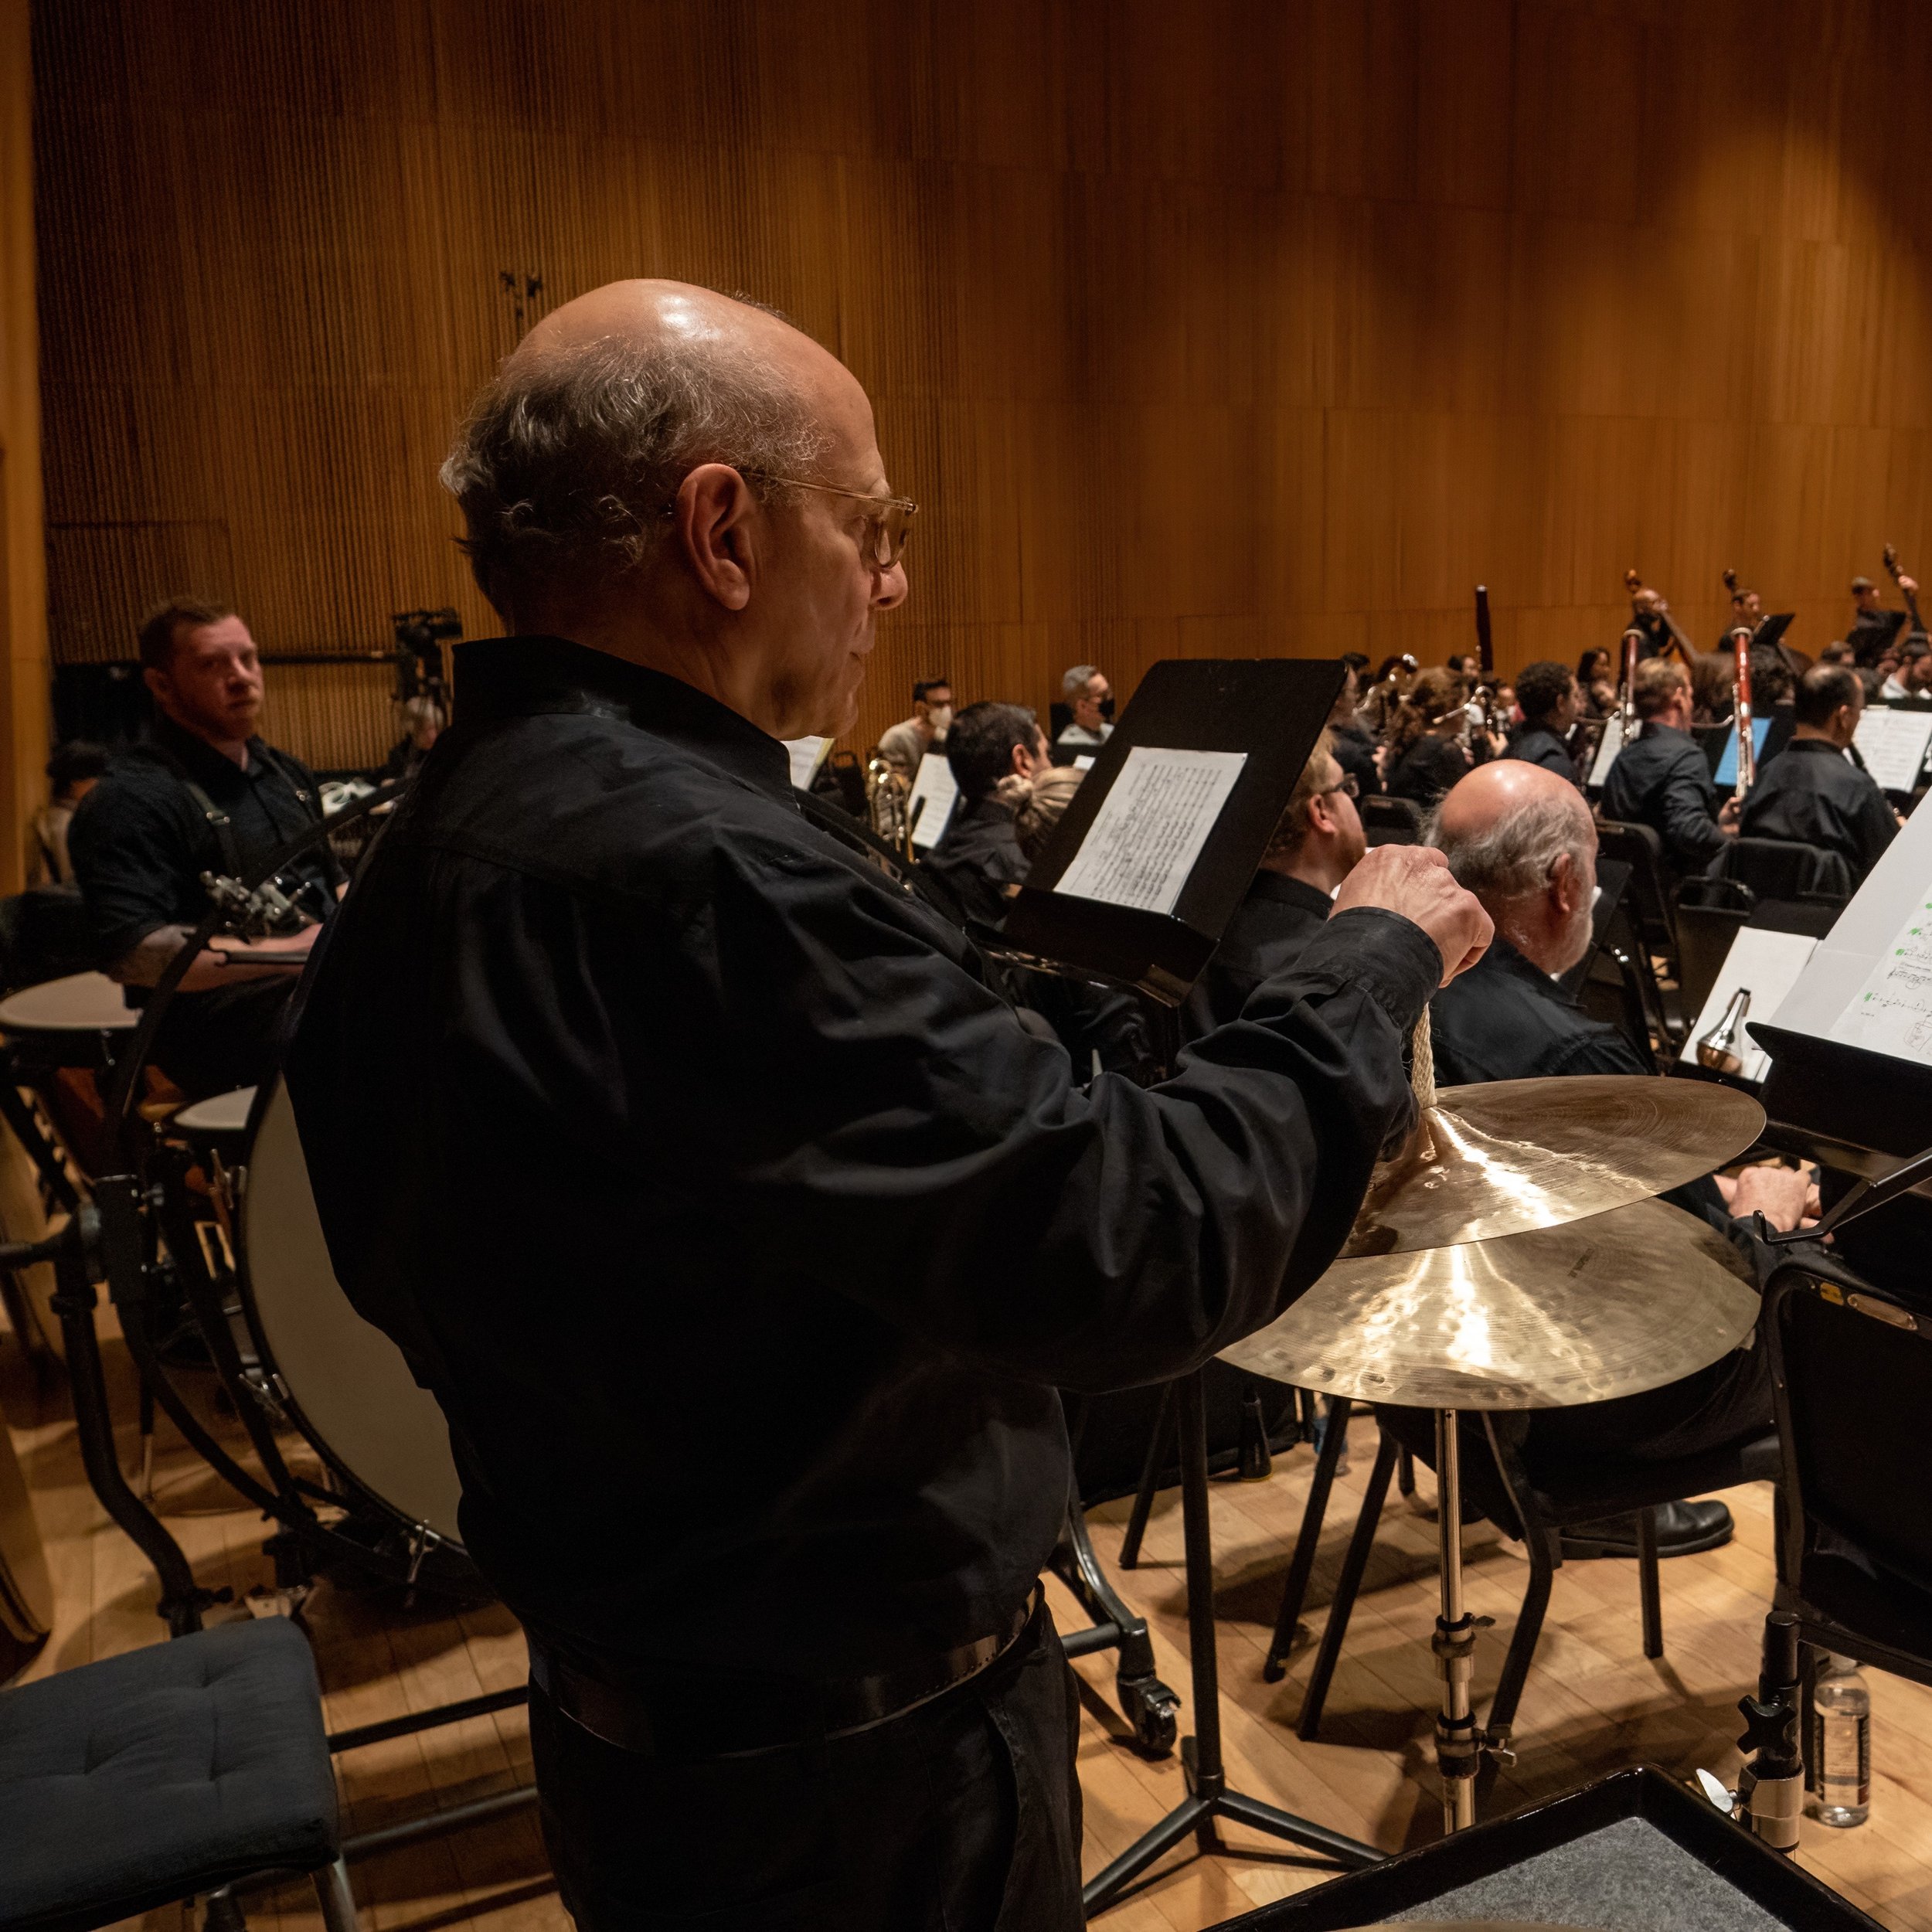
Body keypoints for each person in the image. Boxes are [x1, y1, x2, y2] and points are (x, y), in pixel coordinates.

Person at [283, 279, 1491, 1932]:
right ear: (720, 531)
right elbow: (1129, 1243)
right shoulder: (701, 873)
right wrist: (1363, 962)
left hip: (645, 1729)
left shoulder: (445, 834)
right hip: (853, 1794)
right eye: (871, 522)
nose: (893, 577)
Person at [1424, 760, 1815, 1551]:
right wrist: (1764, 1219)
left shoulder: (1415, 994)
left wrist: (1709, 1186)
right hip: (1604, 1406)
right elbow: (1713, 1282)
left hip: (1453, 1390)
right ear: (1564, 882)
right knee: (1844, 1333)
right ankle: (1838, 1628)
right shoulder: (1571, 1053)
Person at [68, 599, 341, 1098]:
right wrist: (298, 952)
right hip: (218, 1028)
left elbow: (333, 880)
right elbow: (136, 954)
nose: (241, 677)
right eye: (213, 664)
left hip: (318, 990)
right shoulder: (130, 799)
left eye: (248, 658)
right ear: (161, 685)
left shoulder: (286, 773)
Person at [1182, 730, 1364, 1036]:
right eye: (1345, 788)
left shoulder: (1199, 929)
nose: (1352, 798)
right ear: (1321, 812)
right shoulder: (1333, 965)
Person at [1740, 664, 1899, 885]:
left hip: (1759, 914)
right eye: (1859, 712)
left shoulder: (1765, 775)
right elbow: (1890, 870)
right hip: (1837, 917)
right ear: (1843, 716)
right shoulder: (1857, 788)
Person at [1600, 658, 1738, 877]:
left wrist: (1716, 823)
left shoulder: (1624, 757)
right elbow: (1688, 831)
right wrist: (1732, 842)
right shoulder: (1687, 756)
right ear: (1679, 698)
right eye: (1690, 696)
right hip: (1678, 892)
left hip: (1630, 890)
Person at [920, 700, 1049, 925]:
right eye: (1048, 754)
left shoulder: (935, 859)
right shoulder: (1024, 861)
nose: (1051, 765)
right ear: (1022, 761)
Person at [1386, 666, 1479, 806]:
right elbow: (1464, 808)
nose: (1465, 713)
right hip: (1428, 827)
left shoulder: (1407, 740)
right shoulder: (1446, 750)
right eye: (1464, 705)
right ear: (1450, 709)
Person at [27, 740, 108, 886]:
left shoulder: (70, 816)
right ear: (75, 783)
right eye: (94, 780)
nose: (98, 787)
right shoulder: (62, 822)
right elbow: (71, 879)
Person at [1501, 661, 1581, 782]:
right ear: (1561, 703)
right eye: (1575, 696)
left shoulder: (1512, 741)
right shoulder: (1554, 763)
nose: (1578, 706)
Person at [876, 676, 953, 777]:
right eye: (939, 704)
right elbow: (892, 786)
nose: (947, 709)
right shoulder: (897, 738)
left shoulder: (945, 737)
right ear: (920, 708)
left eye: (949, 703)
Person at [1325, 659, 1380, 798]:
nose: (1357, 696)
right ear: (1338, 698)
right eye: (1354, 690)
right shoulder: (1353, 754)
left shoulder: (1350, 730)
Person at [1849, 573, 1916, 668]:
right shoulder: (1861, 622)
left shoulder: (1887, 616)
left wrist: (1911, 594)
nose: (1864, 596)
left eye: (1869, 591)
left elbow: (1911, 618)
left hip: (1888, 667)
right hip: (1865, 670)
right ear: (1857, 597)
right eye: (1861, 593)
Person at [380, 692, 447, 784]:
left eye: (434, 728)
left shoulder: (447, 752)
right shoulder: (400, 755)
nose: (432, 735)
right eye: (424, 730)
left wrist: (398, 783)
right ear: (412, 731)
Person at [1052, 664, 1112, 760]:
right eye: (1103, 695)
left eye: (1109, 692)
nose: (1109, 698)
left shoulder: (1113, 732)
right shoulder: (1069, 749)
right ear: (1082, 706)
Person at [1879, 633, 1932, 701]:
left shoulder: (1926, 698)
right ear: (1908, 662)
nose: (1928, 680)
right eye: (1925, 673)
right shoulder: (1884, 696)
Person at [1575, 646, 1617, 719]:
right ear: (1589, 666)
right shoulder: (1580, 689)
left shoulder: (1610, 687)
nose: (1607, 669)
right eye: (1602, 665)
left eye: (1607, 665)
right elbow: (1591, 716)